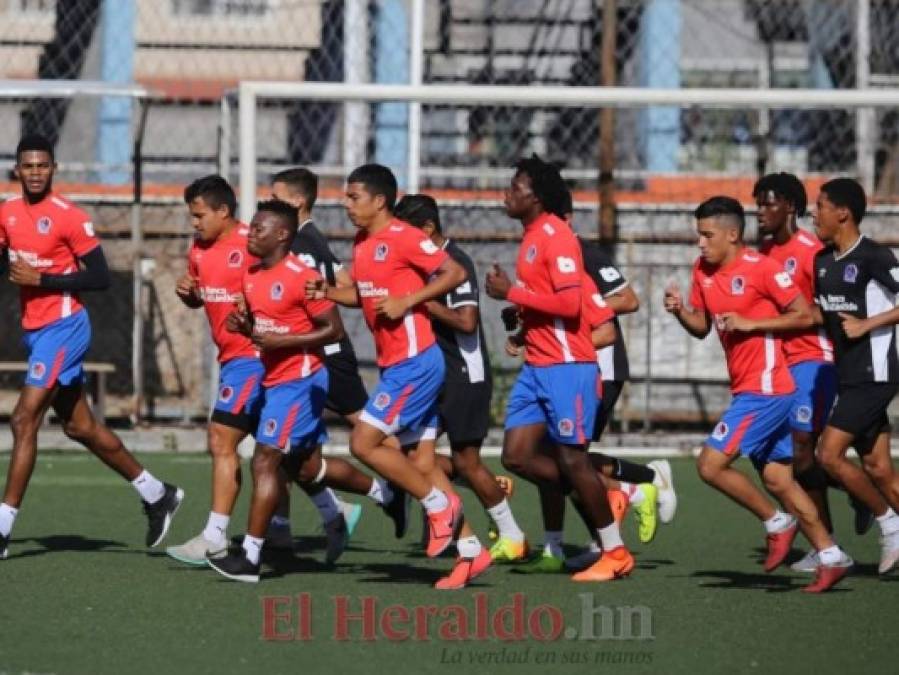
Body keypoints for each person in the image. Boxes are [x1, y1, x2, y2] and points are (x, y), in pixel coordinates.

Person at [0, 134, 182, 559]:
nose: (35, 172)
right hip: (36, 329)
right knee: (79, 426)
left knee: (24, 419)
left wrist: (43, 280)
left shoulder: (69, 217)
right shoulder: (6, 213)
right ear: (17, 171)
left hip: (66, 326)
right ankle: (157, 493)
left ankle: (3, 527)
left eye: (42, 165)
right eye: (28, 166)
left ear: (54, 168)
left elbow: (100, 276)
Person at [308, 164, 488, 589]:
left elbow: (454, 273)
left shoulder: (406, 237)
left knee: (363, 442)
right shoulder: (363, 242)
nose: (345, 204)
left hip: (415, 362)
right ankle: (471, 551)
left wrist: (409, 300)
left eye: (353, 197)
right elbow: (365, 295)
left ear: (379, 201)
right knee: (420, 462)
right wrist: (328, 292)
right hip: (397, 363)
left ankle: (438, 507)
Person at [166, 176, 359, 566]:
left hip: (253, 359)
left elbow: (282, 288)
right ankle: (332, 511)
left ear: (223, 212)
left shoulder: (254, 243)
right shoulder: (199, 249)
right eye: (191, 216)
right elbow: (210, 299)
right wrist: (190, 295)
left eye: (199, 215)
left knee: (222, 440)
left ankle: (216, 536)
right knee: (292, 459)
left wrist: (275, 333)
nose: (194, 223)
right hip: (235, 357)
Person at [664, 195, 852, 592]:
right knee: (779, 479)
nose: (700, 243)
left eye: (707, 235)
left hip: (768, 389)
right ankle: (831, 554)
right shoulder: (702, 270)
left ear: (732, 235)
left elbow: (804, 314)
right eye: (698, 235)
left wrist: (752, 323)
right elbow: (701, 327)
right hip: (749, 388)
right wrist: (681, 311)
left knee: (710, 465)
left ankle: (776, 522)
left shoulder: (763, 269)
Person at [486, 154, 635, 582]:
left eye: (516, 188)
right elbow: (547, 302)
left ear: (537, 197)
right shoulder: (530, 238)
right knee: (516, 456)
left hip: (569, 367)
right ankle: (607, 495)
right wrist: (521, 327)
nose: (507, 194)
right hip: (538, 366)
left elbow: (571, 305)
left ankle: (615, 551)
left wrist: (512, 291)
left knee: (572, 459)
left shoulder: (557, 237)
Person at [206, 200, 348, 582]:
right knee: (302, 466)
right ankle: (367, 502)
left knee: (265, 459)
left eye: (257, 229)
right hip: (275, 379)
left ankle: (251, 556)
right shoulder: (251, 275)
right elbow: (264, 323)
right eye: (250, 227)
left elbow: (333, 330)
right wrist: (244, 324)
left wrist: (281, 342)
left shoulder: (302, 275)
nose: (249, 234)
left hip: (301, 379)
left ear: (282, 235)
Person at [270, 168, 409, 536]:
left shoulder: (299, 244)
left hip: (326, 354)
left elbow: (337, 289)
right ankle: (294, 523)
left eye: (275, 196)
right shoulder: (309, 238)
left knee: (367, 432)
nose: (267, 204)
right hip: (312, 353)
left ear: (297, 201)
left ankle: (419, 482)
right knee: (288, 449)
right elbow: (346, 282)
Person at [394, 193, 528, 564]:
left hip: (464, 376)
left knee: (466, 461)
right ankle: (448, 524)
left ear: (427, 229)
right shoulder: (420, 263)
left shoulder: (454, 263)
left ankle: (512, 534)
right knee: (408, 451)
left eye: (406, 232)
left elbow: (467, 321)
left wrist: (423, 303)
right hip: (434, 376)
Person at [754, 172, 871, 573]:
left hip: (813, 358)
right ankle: (847, 514)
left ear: (790, 205)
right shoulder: (762, 254)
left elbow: (827, 309)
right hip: (775, 365)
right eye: (757, 204)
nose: (760, 212)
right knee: (776, 456)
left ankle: (832, 539)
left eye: (768, 203)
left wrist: (792, 319)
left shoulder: (811, 251)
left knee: (803, 446)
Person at [810, 178, 899, 575]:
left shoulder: (876, 257)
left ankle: (891, 526)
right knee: (879, 469)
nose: (814, 214)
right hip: (849, 376)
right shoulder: (822, 261)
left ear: (842, 213)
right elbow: (823, 315)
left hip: (877, 373)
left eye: (820, 207)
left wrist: (867, 325)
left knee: (827, 455)